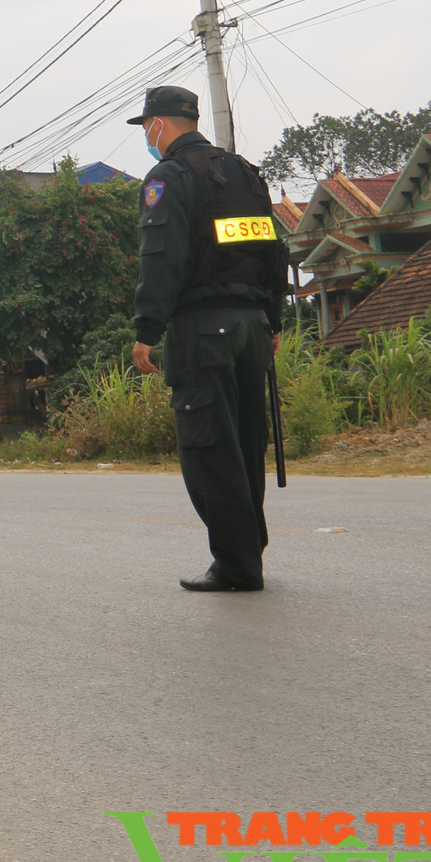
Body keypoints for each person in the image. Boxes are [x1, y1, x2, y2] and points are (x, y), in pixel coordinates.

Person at [127, 85, 291, 592]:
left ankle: (238, 567)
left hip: (203, 331)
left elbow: (162, 258)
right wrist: (273, 319)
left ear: (158, 124)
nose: (148, 137)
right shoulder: (243, 172)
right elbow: (272, 250)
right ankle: (246, 556)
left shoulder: (168, 177)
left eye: (147, 127)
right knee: (245, 444)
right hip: (251, 327)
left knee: (209, 450)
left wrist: (145, 332)